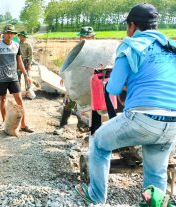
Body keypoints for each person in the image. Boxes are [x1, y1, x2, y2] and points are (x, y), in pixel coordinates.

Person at [75, 3, 176, 204]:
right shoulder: (170, 47)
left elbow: (112, 88)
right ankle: (154, 202)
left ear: (132, 26)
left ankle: (95, 196)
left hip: (143, 118)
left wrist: (120, 81)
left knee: (99, 142)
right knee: (156, 172)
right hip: (173, 122)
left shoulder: (130, 46)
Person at [0, 24, 34, 133]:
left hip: (13, 77)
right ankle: (5, 122)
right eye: (7, 33)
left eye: (11, 33)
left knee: (19, 100)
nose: (9, 35)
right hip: (1, 77)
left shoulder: (16, 45)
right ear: (4, 34)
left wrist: (26, 75)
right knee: (3, 100)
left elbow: (19, 61)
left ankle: (24, 125)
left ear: (14, 34)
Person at [53, 26, 95, 135]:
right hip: (76, 80)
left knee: (91, 105)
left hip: (91, 81)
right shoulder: (76, 49)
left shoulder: (96, 51)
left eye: (88, 37)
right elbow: (68, 64)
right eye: (83, 37)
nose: (85, 39)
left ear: (93, 37)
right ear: (80, 37)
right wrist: (64, 77)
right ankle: (62, 125)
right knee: (69, 102)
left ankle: (85, 126)